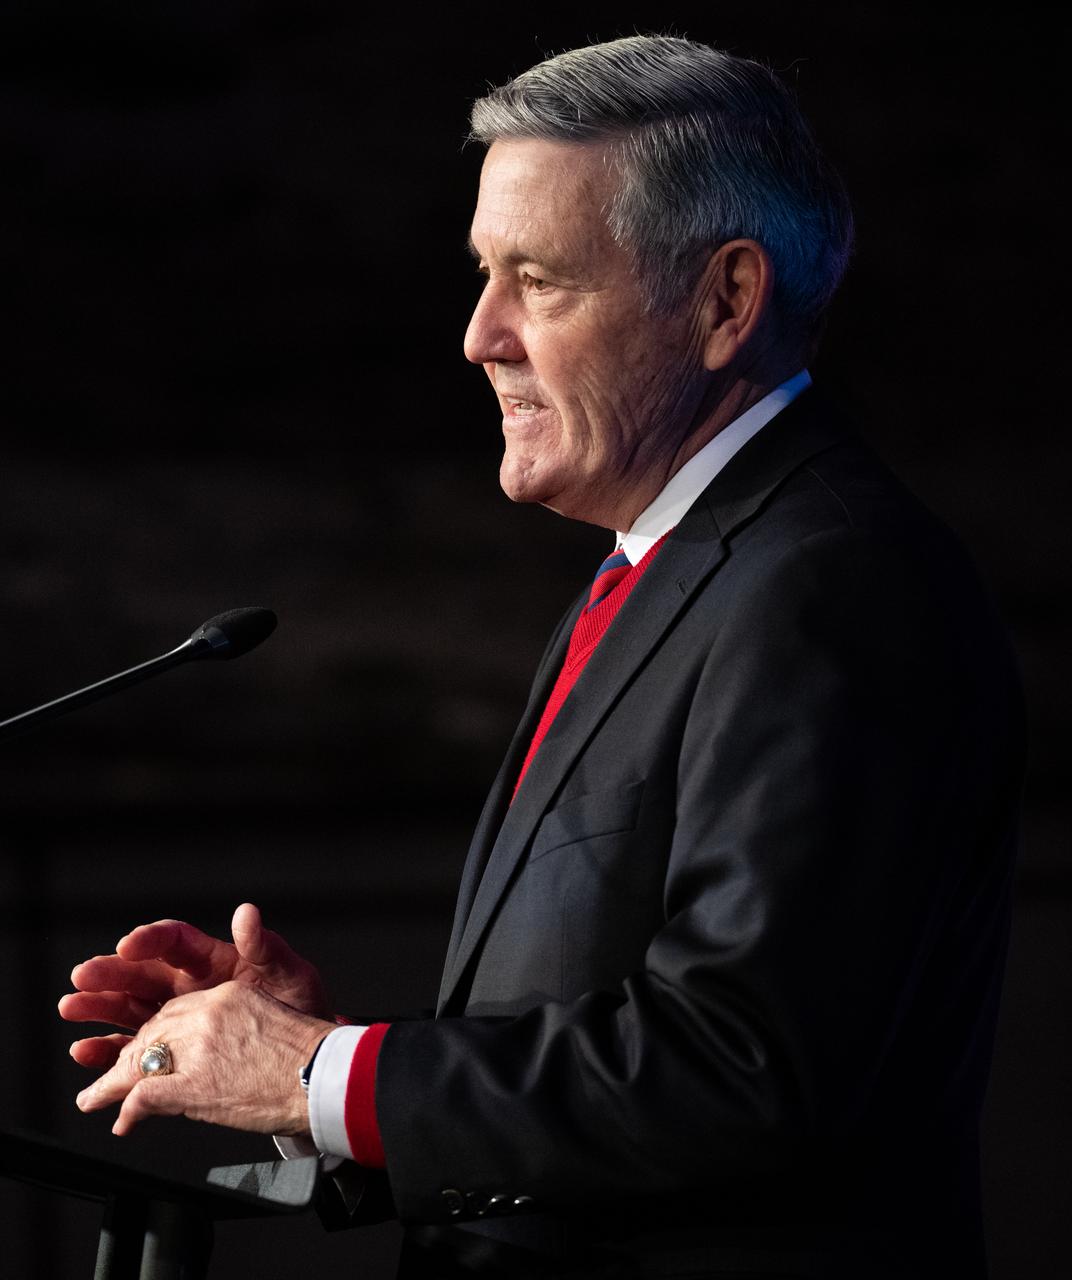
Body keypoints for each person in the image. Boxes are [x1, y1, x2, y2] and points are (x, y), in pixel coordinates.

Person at [59, 35, 1025, 1279]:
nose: (478, 335)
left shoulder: (835, 583)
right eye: (481, 274)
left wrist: (322, 1075)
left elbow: (745, 1066)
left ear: (725, 300)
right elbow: (612, 1064)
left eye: (538, 279)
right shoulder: (657, 572)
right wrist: (308, 1059)